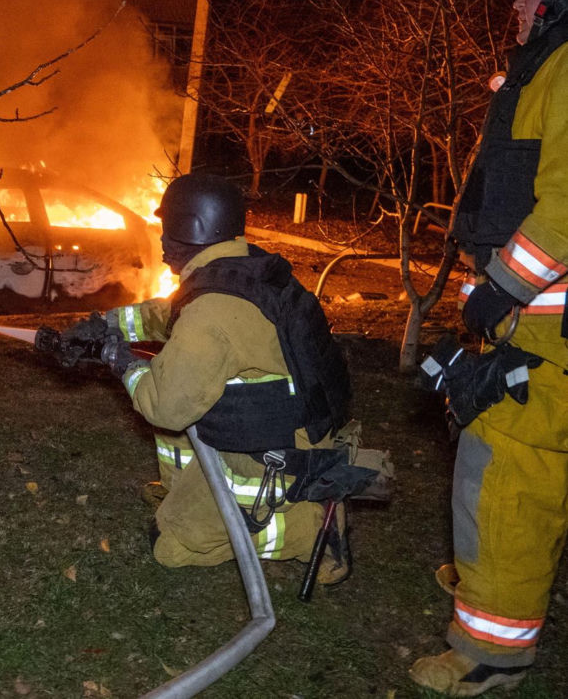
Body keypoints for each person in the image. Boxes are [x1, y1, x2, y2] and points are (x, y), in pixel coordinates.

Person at [66, 172, 386, 580]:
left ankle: (308, 531)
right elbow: (174, 314)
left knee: (172, 546)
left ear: (191, 229)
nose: (161, 241)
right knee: (183, 390)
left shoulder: (212, 313)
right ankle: (184, 492)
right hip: (295, 431)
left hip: (271, 461)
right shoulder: (243, 272)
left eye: (166, 229)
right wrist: (108, 323)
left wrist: (120, 360)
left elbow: (165, 407)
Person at [410, 0, 568, 697]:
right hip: (537, 327)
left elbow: (565, 207)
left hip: (546, 335)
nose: (517, 6)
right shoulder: (545, 73)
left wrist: (499, 290)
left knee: (505, 487)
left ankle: (490, 654)